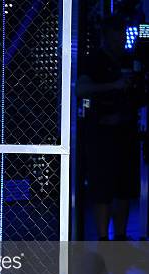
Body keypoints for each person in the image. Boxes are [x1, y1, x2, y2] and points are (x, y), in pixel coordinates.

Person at [77, 16, 143, 241]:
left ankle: (121, 236)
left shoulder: (130, 60)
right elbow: (81, 90)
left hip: (126, 131)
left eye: (122, 37)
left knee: (124, 187)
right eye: (115, 38)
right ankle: (104, 238)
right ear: (106, 37)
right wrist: (112, 86)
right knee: (102, 187)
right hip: (101, 133)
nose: (120, 42)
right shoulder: (93, 60)